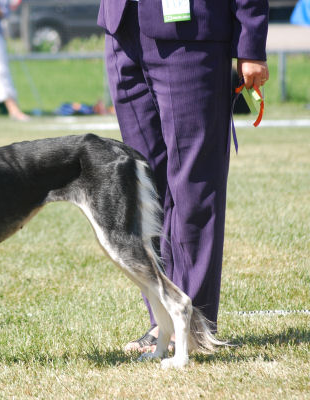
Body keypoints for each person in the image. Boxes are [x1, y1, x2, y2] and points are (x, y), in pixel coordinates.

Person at [97, 0, 269, 352]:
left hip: (192, 34)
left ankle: (192, 325)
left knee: (194, 185)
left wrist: (250, 42)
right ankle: (162, 323)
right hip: (122, 30)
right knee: (146, 190)